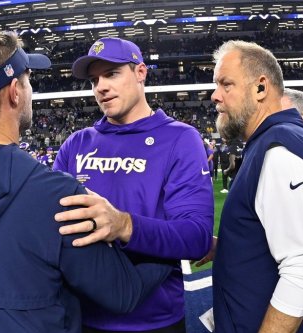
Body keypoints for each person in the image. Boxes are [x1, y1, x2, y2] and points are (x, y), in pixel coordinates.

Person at [0, 28, 172, 333]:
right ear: (14, 92)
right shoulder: (58, 196)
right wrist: (169, 250)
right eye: (28, 79)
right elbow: (123, 293)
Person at [53, 37, 214, 333]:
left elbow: (197, 237)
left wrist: (124, 225)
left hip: (154, 320)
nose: (100, 86)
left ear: (141, 72)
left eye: (111, 74)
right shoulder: (76, 144)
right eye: (94, 79)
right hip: (83, 318)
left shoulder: (181, 139)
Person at [210, 40, 303, 332]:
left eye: (226, 84)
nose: (214, 96)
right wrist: (231, 247)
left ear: (260, 88)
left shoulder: (277, 149)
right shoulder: (276, 141)